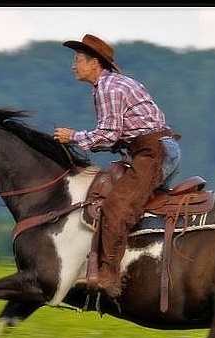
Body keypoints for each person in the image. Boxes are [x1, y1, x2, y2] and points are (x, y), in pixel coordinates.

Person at [54, 34, 181, 299]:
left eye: (77, 59)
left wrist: (73, 137)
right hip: (151, 149)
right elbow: (117, 135)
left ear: (94, 63)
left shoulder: (108, 88)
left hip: (152, 153)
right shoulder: (112, 85)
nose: (73, 65)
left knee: (115, 206)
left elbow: (108, 135)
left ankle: (109, 277)